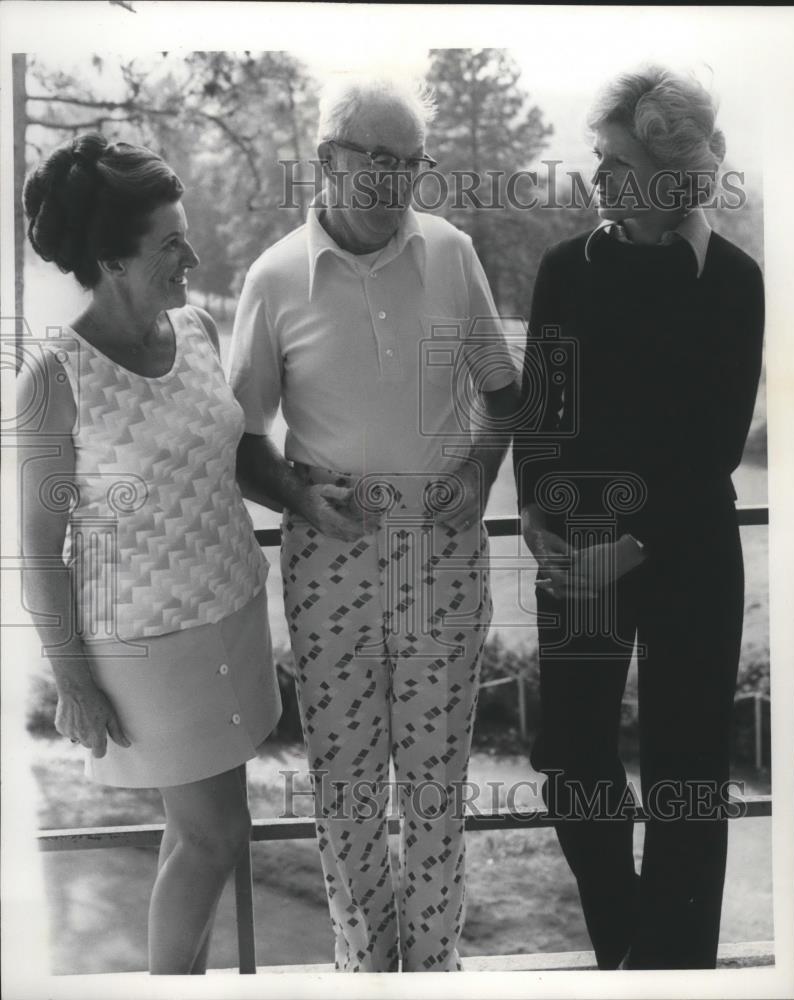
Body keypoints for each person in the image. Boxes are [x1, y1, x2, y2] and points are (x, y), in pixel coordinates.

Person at [228, 76, 519, 972]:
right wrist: (300, 500)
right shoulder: (274, 276)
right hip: (331, 550)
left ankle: (432, 975)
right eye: (377, 160)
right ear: (326, 160)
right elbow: (240, 443)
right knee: (347, 790)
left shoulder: (451, 252)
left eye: (410, 163)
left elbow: (504, 393)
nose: (396, 181)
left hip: (441, 552)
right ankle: (365, 973)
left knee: (434, 790)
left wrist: (478, 470)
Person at [513, 66, 764, 970]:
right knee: (572, 758)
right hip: (574, 553)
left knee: (687, 774)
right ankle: (627, 947)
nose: (597, 177)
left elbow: (714, 444)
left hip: (688, 551)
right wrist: (536, 512)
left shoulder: (732, 281)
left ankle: (675, 971)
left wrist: (634, 545)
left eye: (614, 161)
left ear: (671, 172)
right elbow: (540, 415)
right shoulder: (564, 271)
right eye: (596, 157)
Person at [18, 133, 282, 974]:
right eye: (170, 242)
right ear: (111, 258)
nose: (192, 256)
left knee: (203, 838)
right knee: (214, 839)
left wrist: (310, 500)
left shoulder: (199, 328)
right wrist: (72, 679)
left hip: (234, 611)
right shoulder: (53, 378)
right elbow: (35, 549)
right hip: (148, 649)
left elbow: (230, 458)